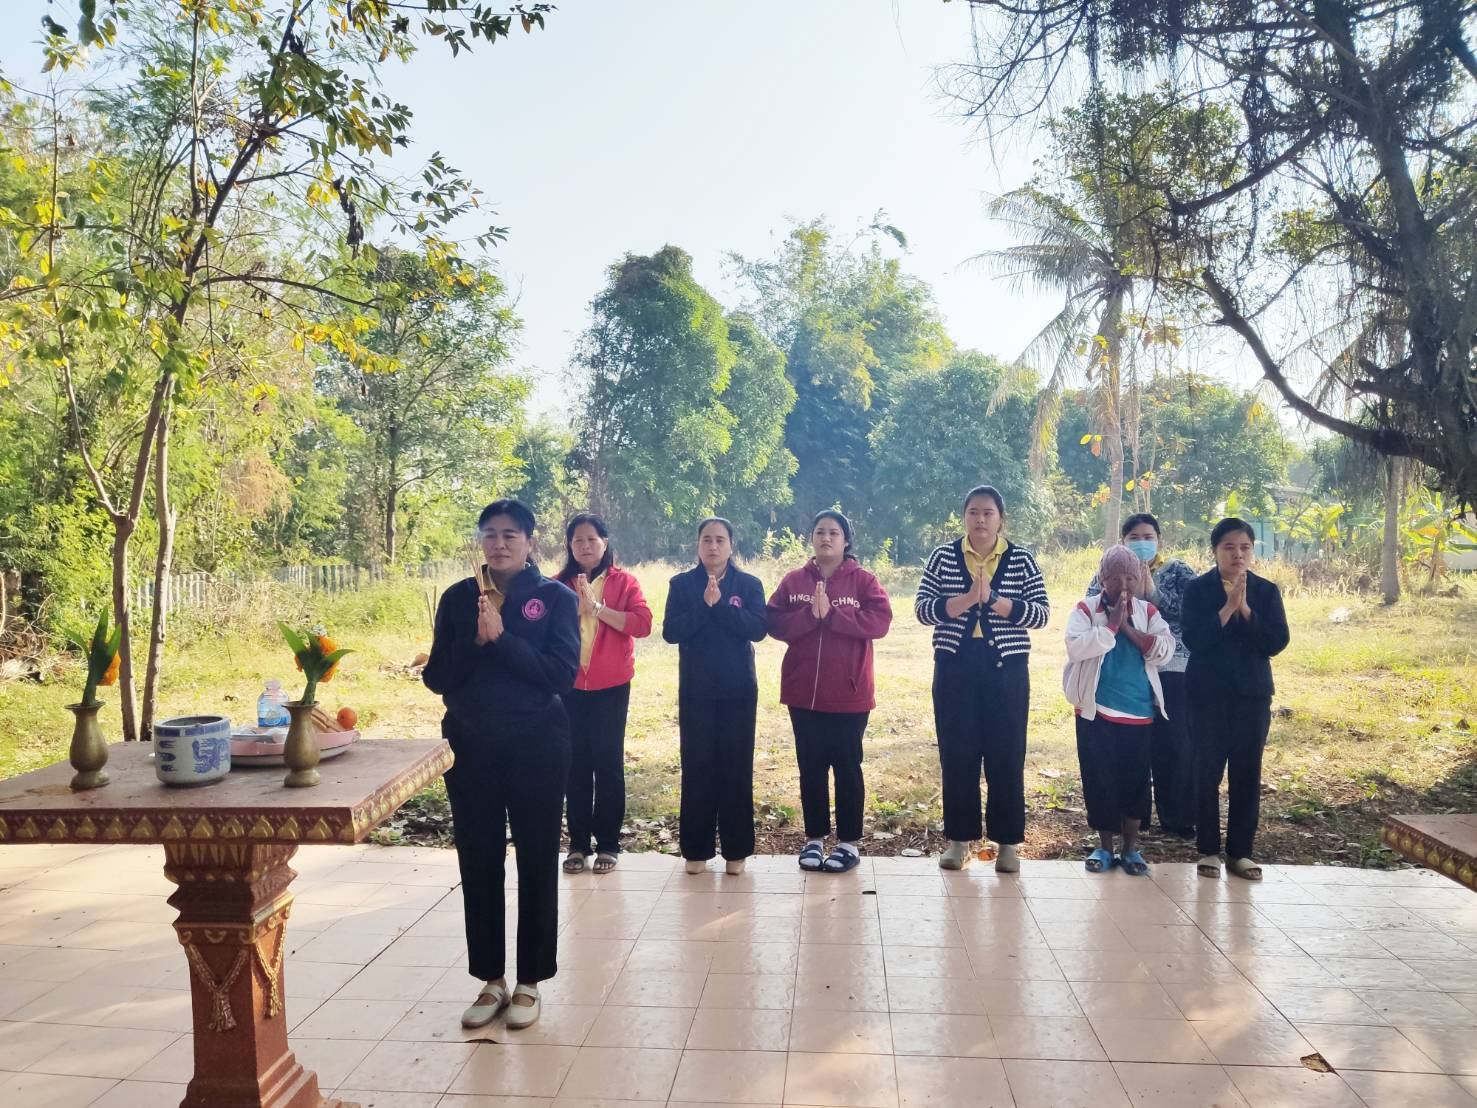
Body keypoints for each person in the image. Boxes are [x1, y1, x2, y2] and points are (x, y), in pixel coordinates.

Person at [422, 499, 579, 1030]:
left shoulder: (553, 598)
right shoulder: (459, 597)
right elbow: (438, 677)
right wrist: (473, 637)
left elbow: (560, 675)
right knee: (479, 858)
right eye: (490, 534)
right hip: (472, 744)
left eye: (511, 534)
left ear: (531, 542)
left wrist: (503, 640)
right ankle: (490, 979)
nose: (500, 543)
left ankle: (530, 980)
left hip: (537, 742)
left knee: (537, 857)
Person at [915, 485, 1050, 873]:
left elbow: (1040, 615)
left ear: (1001, 519)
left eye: (988, 513)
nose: (980, 520)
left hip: (1005, 669)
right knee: (957, 754)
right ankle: (959, 841)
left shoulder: (1021, 560)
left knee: (1006, 756)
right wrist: (965, 600)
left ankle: (1008, 844)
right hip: (955, 666)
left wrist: (992, 599)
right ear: (964, 517)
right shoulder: (943, 557)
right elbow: (923, 609)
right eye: (973, 512)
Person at [766, 510, 893, 874]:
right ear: (811, 538)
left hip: (850, 694)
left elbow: (880, 622)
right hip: (802, 693)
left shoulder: (864, 581)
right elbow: (773, 622)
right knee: (811, 766)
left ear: (846, 540)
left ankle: (849, 843)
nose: (826, 538)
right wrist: (809, 616)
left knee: (847, 766)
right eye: (820, 532)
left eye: (833, 533)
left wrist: (833, 616)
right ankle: (815, 838)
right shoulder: (793, 581)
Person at [1182, 517, 1290, 881]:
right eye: (1229, 547)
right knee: (1205, 773)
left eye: (1244, 547)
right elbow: (1195, 639)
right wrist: (1227, 607)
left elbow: (1275, 642)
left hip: (1252, 696)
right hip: (1206, 697)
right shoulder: (1197, 590)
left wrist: (1245, 610)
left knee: (1246, 774)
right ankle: (1208, 850)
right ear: (1215, 551)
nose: (1238, 554)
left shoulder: (1266, 591)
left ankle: (1241, 852)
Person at [662, 517, 768, 876]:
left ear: (731, 545)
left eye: (720, 540)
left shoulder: (749, 584)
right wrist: (704, 607)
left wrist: (721, 606)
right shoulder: (681, 584)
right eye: (706, 539)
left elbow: (757, 629)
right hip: (696, 691)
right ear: (698, 545)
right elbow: (671, 632)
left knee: (736, 769)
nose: (713, 546)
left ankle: (736, 851)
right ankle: (696, 849)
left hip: (738, 691)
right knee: (698, 767)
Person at [1065, 545, 1178, 876]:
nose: (1124, 586)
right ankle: (1104, 847)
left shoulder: (1149, 612)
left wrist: (1127, 626)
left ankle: (1131, 849)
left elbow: (1163, 651)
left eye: (1131, 577)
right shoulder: (1086, 610)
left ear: (1141, 578)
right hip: (1095, 712)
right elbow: (1076, 647)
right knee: (1100, 781)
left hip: (1139, 713)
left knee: (1135, 783)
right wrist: (1111, 626)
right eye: (1116, 579)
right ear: (1103, 579)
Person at [1086, 513, 1199, 838]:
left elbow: (1191, 608)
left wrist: (1151, 590)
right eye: (1135, 536)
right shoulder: (1109, 570)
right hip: (1124, 671)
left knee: (1175, 744)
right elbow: (1090, 602)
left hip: (1172, 666)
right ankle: (1135, 819)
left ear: (1159, 540)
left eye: (1149, 536)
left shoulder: (1176, 570)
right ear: (1123, 542)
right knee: (1133, 747)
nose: (1142, 542)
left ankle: (1178, 818)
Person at [556, 513, 653, 876]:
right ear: (569, 545)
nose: (585, 545)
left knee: (608, 763)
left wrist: (598, 610)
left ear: (605, 543)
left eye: (592, 539)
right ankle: (578, 844)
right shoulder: (556, 585)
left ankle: (609, 844)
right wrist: (573, 610)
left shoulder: (624, 581)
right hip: (569, 686)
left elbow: (642, 624)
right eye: (577, 539)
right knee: (575, 764)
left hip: (611, 685)